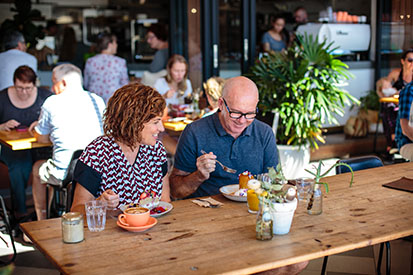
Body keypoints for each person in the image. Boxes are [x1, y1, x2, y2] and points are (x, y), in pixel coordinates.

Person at [169, 76, 278, 199]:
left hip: (249, 210)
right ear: (221, 104)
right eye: (235, 113)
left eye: (249, 114)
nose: (242, 121)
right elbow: (175, 191)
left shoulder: (264, 133)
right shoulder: (194, 132)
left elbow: (273, 184)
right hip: (205, 212)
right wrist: (199, 176)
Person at [71, 83, 170, 213]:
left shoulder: (156, 150)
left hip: (151, 228)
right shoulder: (98, 152)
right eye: (156, 122)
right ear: (134, 122)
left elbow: (165, 201)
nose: (161, 128)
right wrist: (99, 203)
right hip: (110, 231)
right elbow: (76, 210)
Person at [30, 64, 105, 220]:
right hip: (96, 170)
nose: (51, 87)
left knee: (38, 168)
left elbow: (42, 138)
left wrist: (36, 128)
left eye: (53, 82)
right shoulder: (97, 100)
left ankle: (42, 221)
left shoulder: (52, 102)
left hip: (65, 172)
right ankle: (59, 211)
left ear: (63, 83)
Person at [0, 66, 52, 215]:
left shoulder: (45, 96)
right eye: (19, 88)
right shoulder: (3, 98)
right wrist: (2, 126)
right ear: (13, 84)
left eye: (28, 88)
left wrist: (41, 123)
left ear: (35, 84)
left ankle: (46, 211)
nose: (23, 92)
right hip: (11, 148)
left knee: (47, 165)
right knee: (19, 166)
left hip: (40, 146)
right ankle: (21, 212)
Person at [382, 49, 413, 157]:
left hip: (401, 105)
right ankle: (392, 140)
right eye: (410, 60)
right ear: (403, 61)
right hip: (395, 103)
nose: (412, 63)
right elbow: (383, 84)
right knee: (388, 109)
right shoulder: (397, 75)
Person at [83, 32, 129, 103]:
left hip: (94, 101)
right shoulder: (120, 62)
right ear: (110, 45)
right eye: (115, 43)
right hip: (113, 102)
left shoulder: (90, 61)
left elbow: (86, 84)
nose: (116, 45)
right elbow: (125, 85)